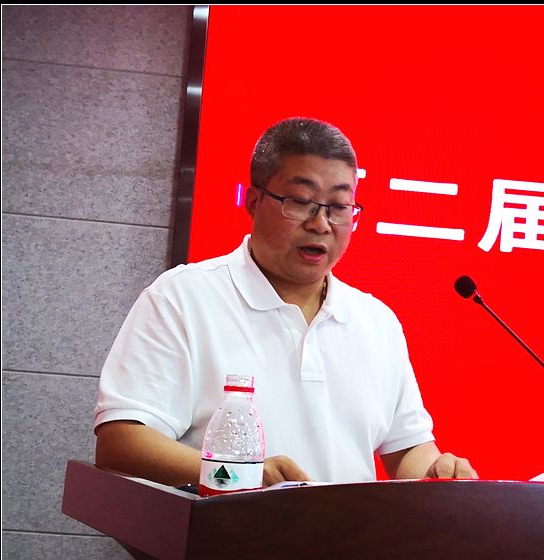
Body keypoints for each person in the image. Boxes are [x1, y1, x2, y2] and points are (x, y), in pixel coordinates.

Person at [94, 117, 478, 487]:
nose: (320, 223)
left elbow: (406, 448)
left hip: (351, 534)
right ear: (254, 201)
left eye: (339, 206)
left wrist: (436, 473)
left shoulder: (376, 321)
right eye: (300, 201)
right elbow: (122, 442)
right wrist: (240, 473)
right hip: (225, 530)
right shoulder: (182, 297)